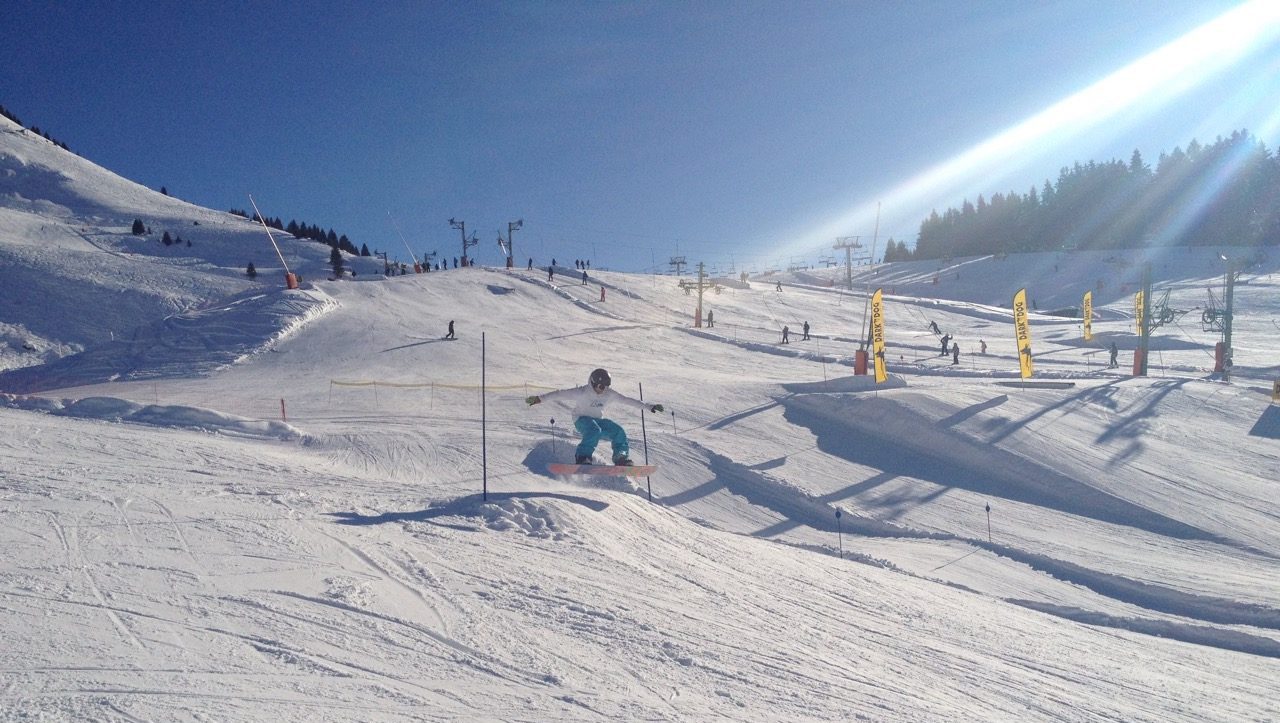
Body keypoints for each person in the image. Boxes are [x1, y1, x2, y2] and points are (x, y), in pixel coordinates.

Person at [525, 368, 664, 465]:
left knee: (618, 430)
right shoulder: (581, 392)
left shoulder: (609, 394)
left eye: (605, 386)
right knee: (594, 430)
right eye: (600, 386)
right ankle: (583, 456)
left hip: (597, 420)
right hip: (581, 419)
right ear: (592, 382)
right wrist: (539, 399)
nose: (602, 389)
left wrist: (649, 406)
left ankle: (620, 457)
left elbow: (627, 400)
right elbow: (559, 394)